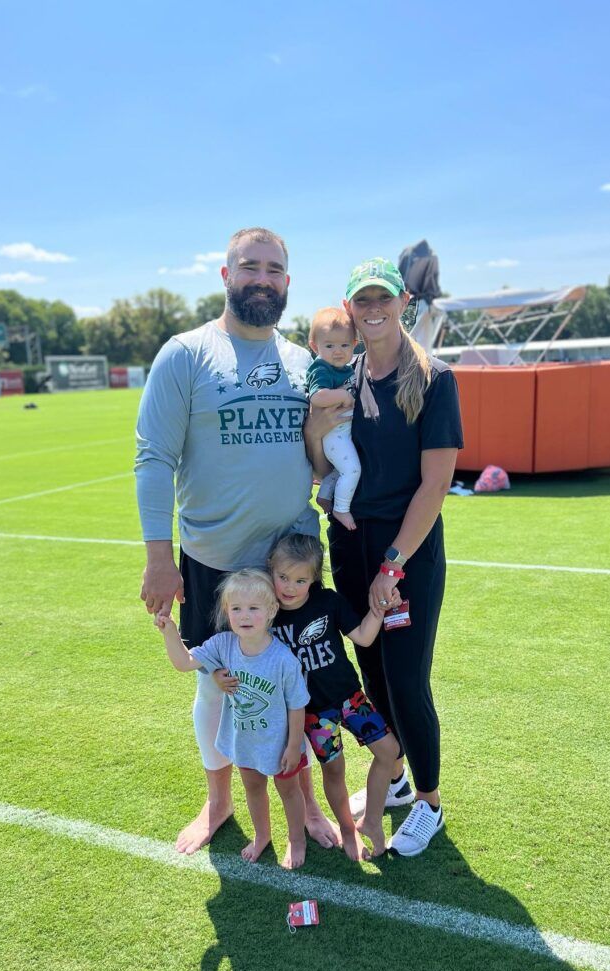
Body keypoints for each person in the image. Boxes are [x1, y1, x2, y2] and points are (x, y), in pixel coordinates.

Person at [135, 226, 341, 855]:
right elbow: (152, 458)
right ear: (226, 276)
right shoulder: (185, 353)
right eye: (249, 267)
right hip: (216, 564)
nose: (262, 278)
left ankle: (304, 803)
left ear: (287, 284)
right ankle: (219, 799)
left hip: (291, 565)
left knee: (296, 685)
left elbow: (320, 458)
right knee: (215, 684)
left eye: (275, 270)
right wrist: (158, 558)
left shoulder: (305, 363)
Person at [308, 256, 464, 857]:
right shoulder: (343, 378)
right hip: (349, 543)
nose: (373, 310)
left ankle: (427, 801)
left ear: (404, 304)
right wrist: (315, 427)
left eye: (383, 299)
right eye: (361, 301)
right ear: (349, 309)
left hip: (406, 552)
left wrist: (393, 565)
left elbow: (434, 486)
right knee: (370, 671)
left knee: (405, 678)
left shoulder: (434, 378)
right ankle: (393, 781)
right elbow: (323, 467)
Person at [156, 570, 310, 869]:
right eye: (236, 608)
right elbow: (184, 663)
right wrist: (169, 631)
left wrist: (294, 746)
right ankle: (262, 835)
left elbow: (297, 706)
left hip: (279, 745)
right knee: (253, 789)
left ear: (271, 611)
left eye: (254, 608)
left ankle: (296, 839)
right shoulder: (223, 644)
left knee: (289, 792)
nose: (244, 615)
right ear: (227, 612)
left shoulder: (283, 660)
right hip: (245, 741)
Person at [268, 534, 401, 859]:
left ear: (313, 579)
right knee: (335, 770)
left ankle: (370, 820)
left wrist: (381, 608)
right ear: (270, 569)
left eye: (300, 579)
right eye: (283, 577)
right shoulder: (269, 614)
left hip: (350, 699)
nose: (289, 586)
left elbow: (365, 637)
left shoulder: (328, 602)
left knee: (390, 751)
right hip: (313, 714)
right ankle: (346, 829)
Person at [305, 308, 360, 531]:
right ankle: (341, 508)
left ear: (354, 344)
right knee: (352, 470)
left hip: (342, 432)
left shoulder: (345, 368)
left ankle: (325, 494)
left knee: (340, 470)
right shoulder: (321, 368)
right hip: (334, 435)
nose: (338, 351)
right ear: (315, 346)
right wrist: (344, 395)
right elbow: (317, 396)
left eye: (344, 345)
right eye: (329, 346)